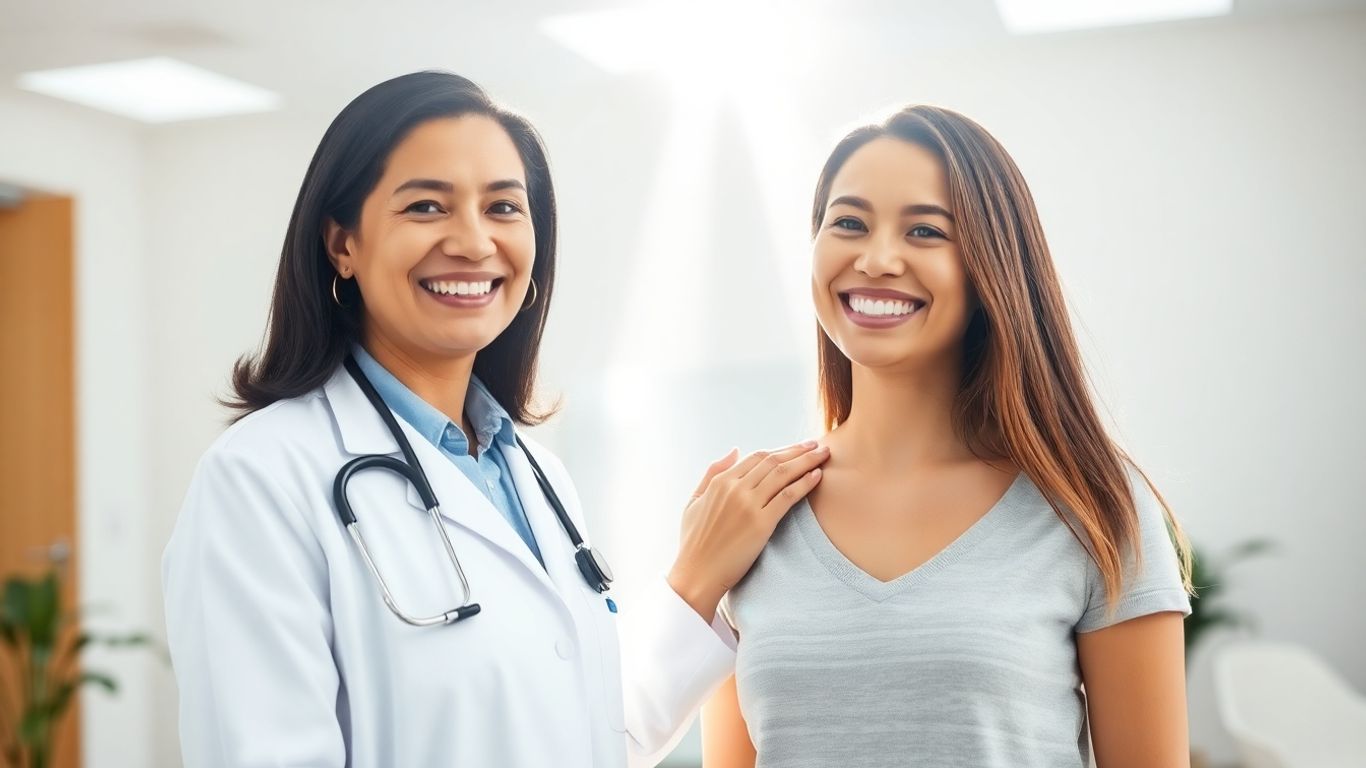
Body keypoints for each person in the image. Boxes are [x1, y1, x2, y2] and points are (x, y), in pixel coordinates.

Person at [161, 70, 827, 767]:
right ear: (342, 244)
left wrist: (697, 578)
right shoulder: (261, 480)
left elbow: (584, 739)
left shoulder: (537, 476)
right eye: (426, 207)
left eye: (504, 208)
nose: (474, 242)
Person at [701, 105, 1194, 768]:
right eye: (847, 223)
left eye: (926, 232)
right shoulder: (753, 510)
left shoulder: (1092, 504)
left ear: (992, 264)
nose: (876, 259)